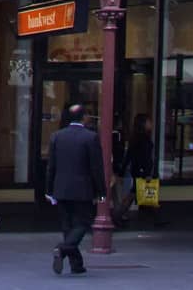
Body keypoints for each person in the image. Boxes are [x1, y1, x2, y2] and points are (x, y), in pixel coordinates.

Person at [45, 103, 105, 276]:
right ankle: (62, 249)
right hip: (82, 189)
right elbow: (96, 167)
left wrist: (49, 190)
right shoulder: (91, 137)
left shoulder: (57, 136)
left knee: (67, 226)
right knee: (82, 224)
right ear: (83, 117)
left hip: (61, 188)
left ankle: (76, 264)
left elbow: (51, 166)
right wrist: (101, 191)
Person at [113, 113, 156, 226]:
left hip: (138, 169)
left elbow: (129, 156)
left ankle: (119, 214)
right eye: (148, 122)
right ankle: (118, 215)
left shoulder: (138, 138)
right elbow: (142, 157)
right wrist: (146, 172)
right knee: (134, 193)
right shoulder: (142, 139)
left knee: (135, 193)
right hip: (141, 170)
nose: (151, 124)